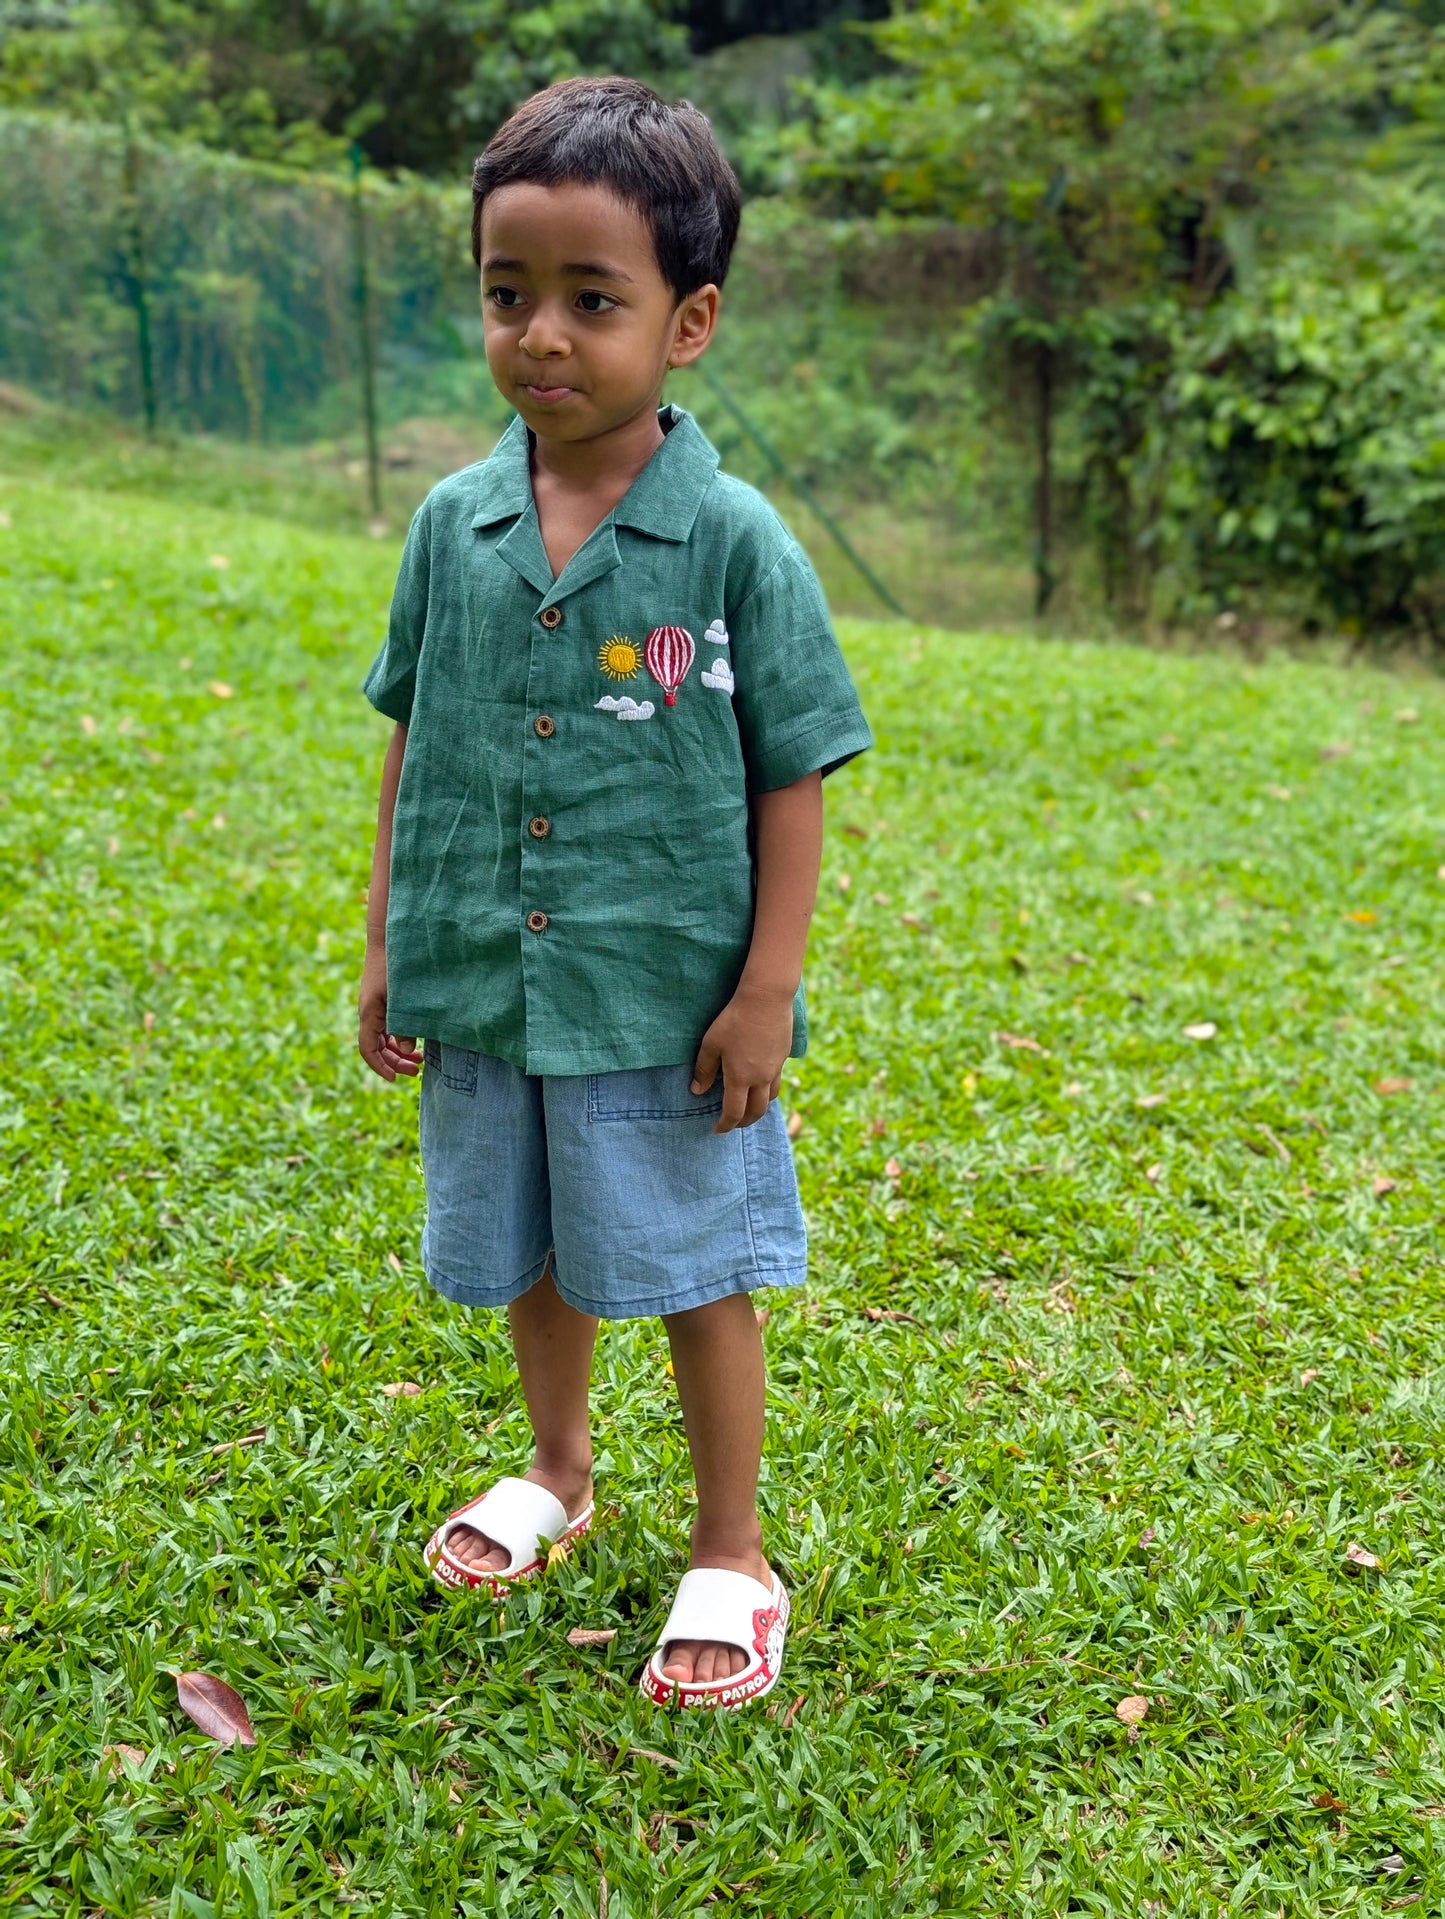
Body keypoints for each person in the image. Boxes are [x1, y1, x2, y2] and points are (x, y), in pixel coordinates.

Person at [358, 75, 870, 1711]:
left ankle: (733, 1547)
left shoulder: (730, 539)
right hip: (490, 973)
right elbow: (415, 732)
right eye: (510, 295)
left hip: (662, 989)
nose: (543, 337)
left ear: (691, 320)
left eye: (595, 300)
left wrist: (765, 988)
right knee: (532, 1244)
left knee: (690, 1264)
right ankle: (560, 1472)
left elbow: (791, 767)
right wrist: (386, 938)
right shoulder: (453, 524)